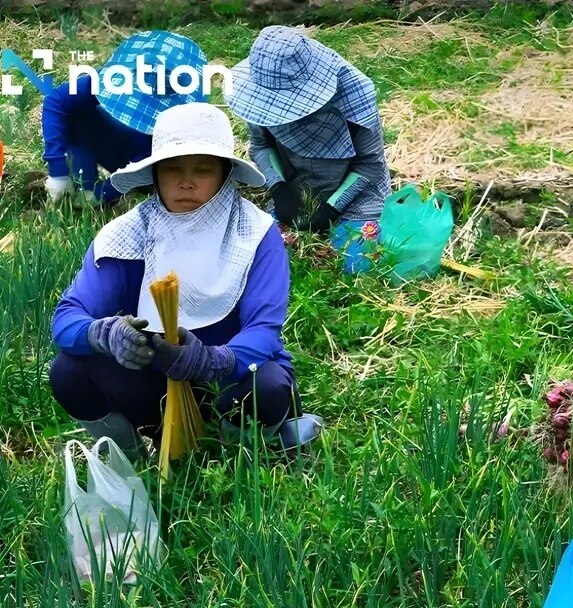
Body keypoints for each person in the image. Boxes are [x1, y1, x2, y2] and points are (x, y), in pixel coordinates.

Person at [49, 102, 323, 455]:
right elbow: (67, 319)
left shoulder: (255, 232)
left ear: (225, 175)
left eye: (204, 170)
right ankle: (133, 453)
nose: (187, 182)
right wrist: (104, 334)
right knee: (68, 371)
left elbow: (263, 331)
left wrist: (213, 361)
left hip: (230, 383)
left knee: (268, 385)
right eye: (173, 169)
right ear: (155, 175)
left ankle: (235, 449)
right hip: (153, 385)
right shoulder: (127, 234)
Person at [226, 25, 391, 274]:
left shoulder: (354, 96)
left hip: (357, 195)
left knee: (353, 265)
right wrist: (279, 189)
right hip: (295, 192)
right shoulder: (257, 94)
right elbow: (261, 145)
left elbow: (369, 164)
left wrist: (332, 208)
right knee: (266, 261)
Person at [40, 30, 208, 205]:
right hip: (108, 142)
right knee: (76, 115)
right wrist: (57, 170)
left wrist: (104, 193)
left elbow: (154, 159)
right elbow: (56, 101)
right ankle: (82, 183)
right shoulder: (108, 80)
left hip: (149, 165)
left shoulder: (185, 119)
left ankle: (94, 193)